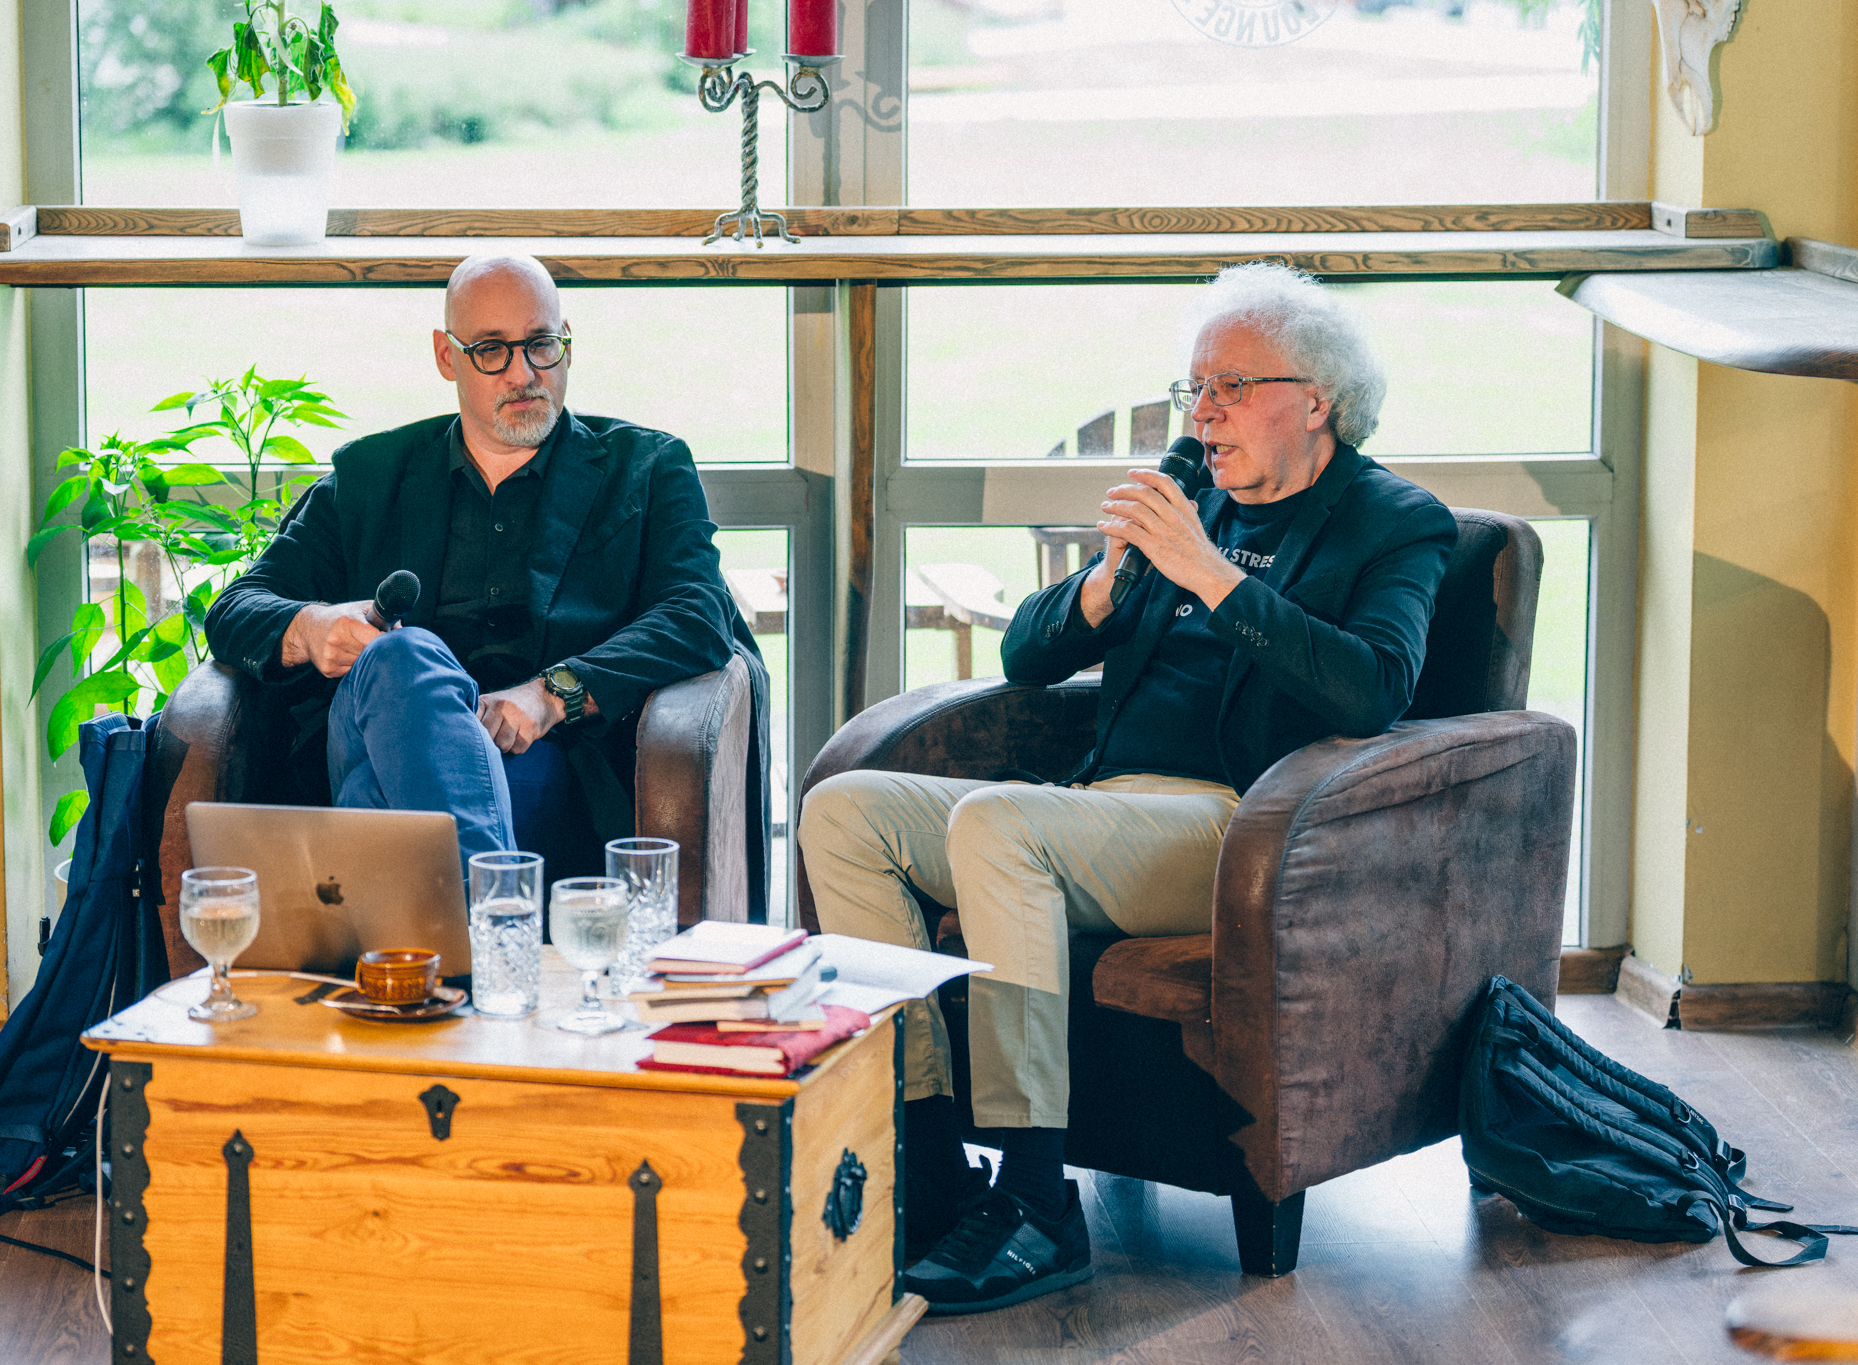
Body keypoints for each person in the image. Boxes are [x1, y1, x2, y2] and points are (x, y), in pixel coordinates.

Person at [798, 263, 1457, 1314]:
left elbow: (1373, 687)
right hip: (1102, 806)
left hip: (1247, 827)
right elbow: (1025, 657)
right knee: (845, 812)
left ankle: (1034, 1199)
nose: (1203, 413)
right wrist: (1107, 583)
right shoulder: (1188, 505)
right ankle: (927, 1165)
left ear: (1316, 400)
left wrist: (1210, 574)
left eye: (1232, 386)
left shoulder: (1393, 523)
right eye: (1196, 387)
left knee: (1000, 824)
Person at [205, 253, 763, 897]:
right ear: (447, 357)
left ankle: (449, 934)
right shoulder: (370, 476)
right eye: (491, 350)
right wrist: (311, 627)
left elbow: (696, 614)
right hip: (379, 732)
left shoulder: (643, 468)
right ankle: (497, 916)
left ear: (568, 344)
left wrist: (550, 695)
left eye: (541, 345)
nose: (524, 374)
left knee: (376, 803)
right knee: (403, 657)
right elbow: (235, 609)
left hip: (547, 768)